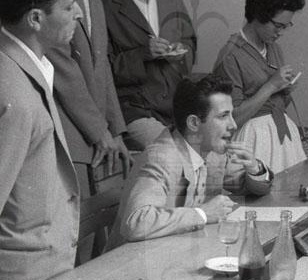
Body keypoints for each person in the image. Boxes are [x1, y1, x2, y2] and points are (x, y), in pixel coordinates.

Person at [106, 76, 273, 250]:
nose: (233, 125)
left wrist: (255, 169)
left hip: (179, 250)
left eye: (231, 114)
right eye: (223, 116)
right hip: (136, 259)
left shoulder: (211, 152)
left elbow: (245, 186)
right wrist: (202, 214)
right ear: (193, 123)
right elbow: (137, 222)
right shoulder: (161, 158)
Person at [0, 0, 81, 280]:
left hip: (44, 275)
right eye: (69, 6)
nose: (78, 13)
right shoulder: (12, 93)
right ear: (35, 18)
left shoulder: (29, 68)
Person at [50, 0, 130, 173]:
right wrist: (100, 131)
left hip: (93, 130)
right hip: (66, 128)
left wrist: (116, 130)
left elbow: (102, 66)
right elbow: (63, 70)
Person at [103, 0, 197, 151]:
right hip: (135, 110)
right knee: (172, 152)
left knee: (206, 151)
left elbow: (191, 42)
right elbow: (103, 72)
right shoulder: (105, 8)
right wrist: (143, 53)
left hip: (176, 105)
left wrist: (181, 52)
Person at [212, 0, 306, 173]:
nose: (281, 33)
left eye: (286, 26)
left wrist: (285, 90)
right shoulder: (230, 56)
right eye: (278, 26)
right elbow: (231, 119)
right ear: (259, 15)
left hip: (282, 138)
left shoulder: (273, 48)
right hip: (253, 142)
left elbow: (275, 105)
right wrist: (271, 86)